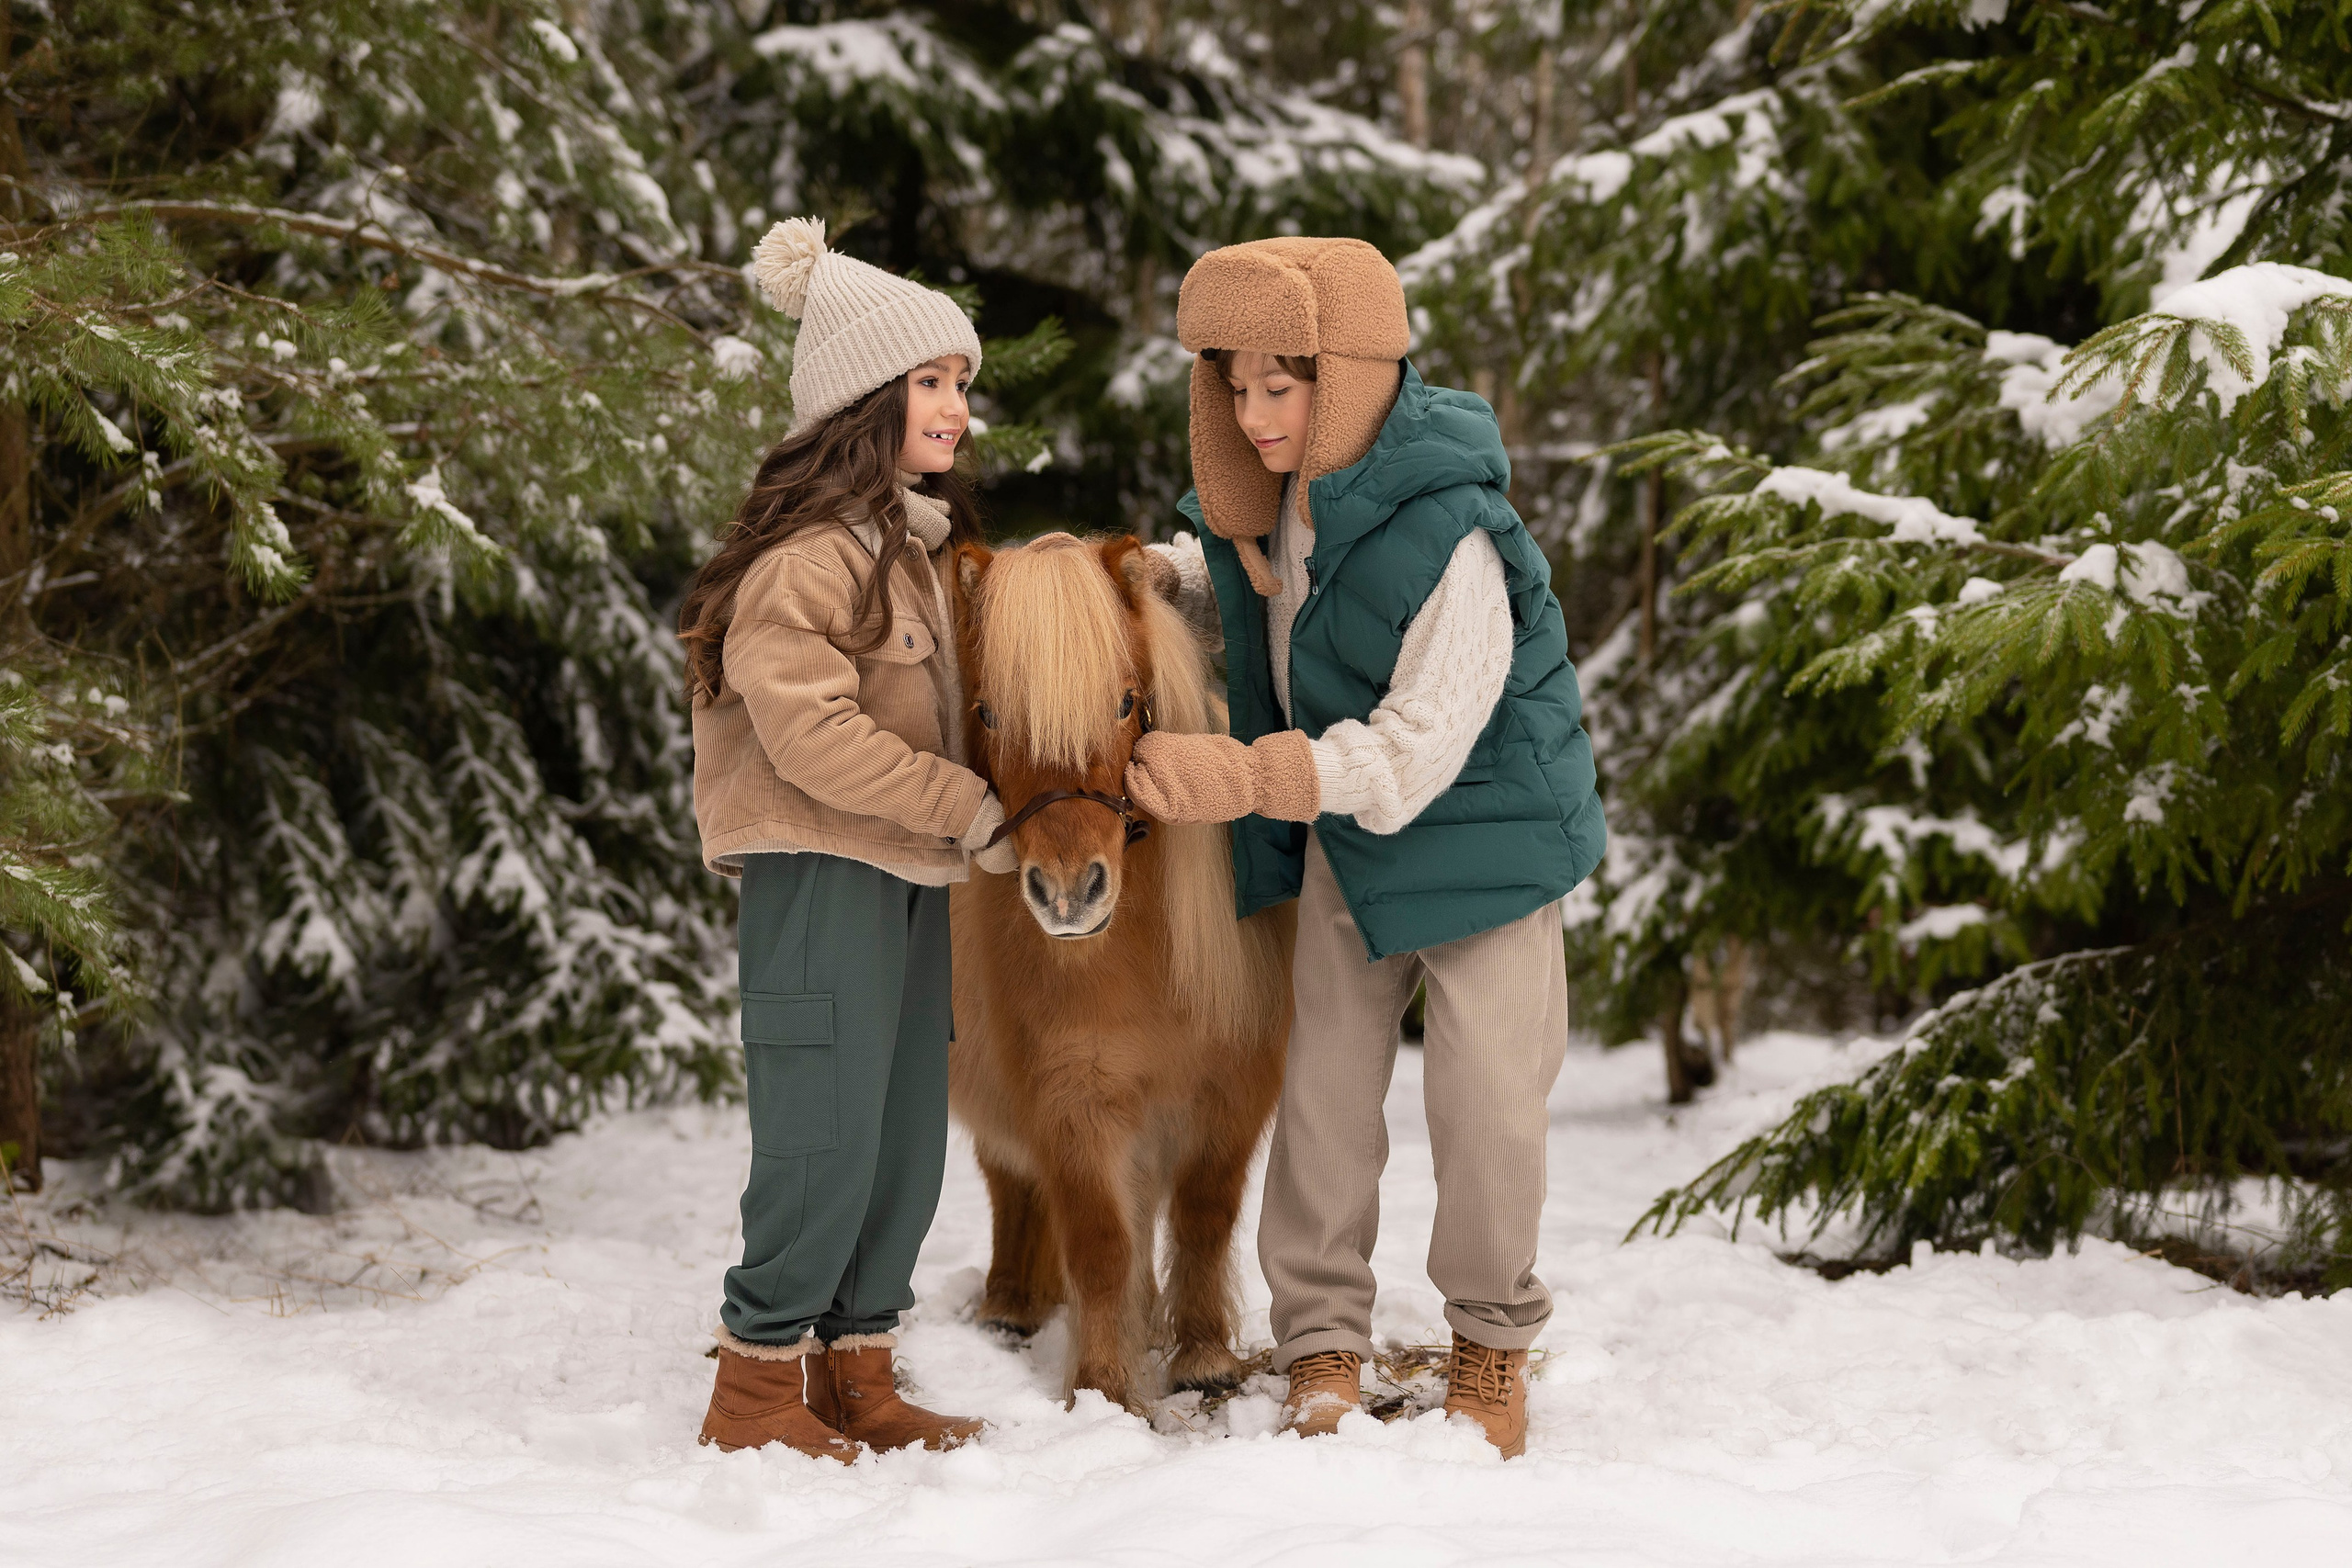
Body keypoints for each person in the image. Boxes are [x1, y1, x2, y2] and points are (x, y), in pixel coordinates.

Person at [1122, 236, 1607, 1460]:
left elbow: (1410, 751)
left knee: (1489, 1110)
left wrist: (1242, 776)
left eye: (1281, 388)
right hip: (1344, 832)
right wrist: (1150, 578)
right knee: (1327, 1102)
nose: (1254, 413)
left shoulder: (1458, 543)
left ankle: (1489, 1345)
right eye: (1233, 386)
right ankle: (1322, 1342)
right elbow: (1264, 593)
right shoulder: (1282, 503)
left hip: (1483, 847)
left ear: (1351, 377)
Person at [677, 216, 1014, 1461]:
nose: (956, 409)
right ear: (866, 397)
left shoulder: (909, 552)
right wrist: (962, 807)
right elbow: (812, 737)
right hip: (823, 872)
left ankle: (858, 1369)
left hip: (910, 879)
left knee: (902, 1141)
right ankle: (757, 1391)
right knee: (822, 1132)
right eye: (934, 381)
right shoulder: (805, 562)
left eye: (962, 385)